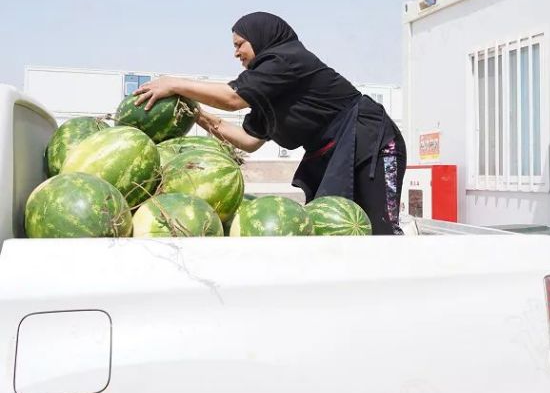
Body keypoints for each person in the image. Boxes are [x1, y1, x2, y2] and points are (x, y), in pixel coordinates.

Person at [133, 12, 406, 235]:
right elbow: (248, 142)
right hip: (335, 151)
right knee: (335, 230)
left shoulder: (286, 60)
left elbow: (231, 99)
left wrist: (174, 83)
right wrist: (197, 115)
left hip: (372, 142)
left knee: (381, 229)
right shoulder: (270, 88)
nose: (236, 53)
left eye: (239, 44)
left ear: (260, 39)